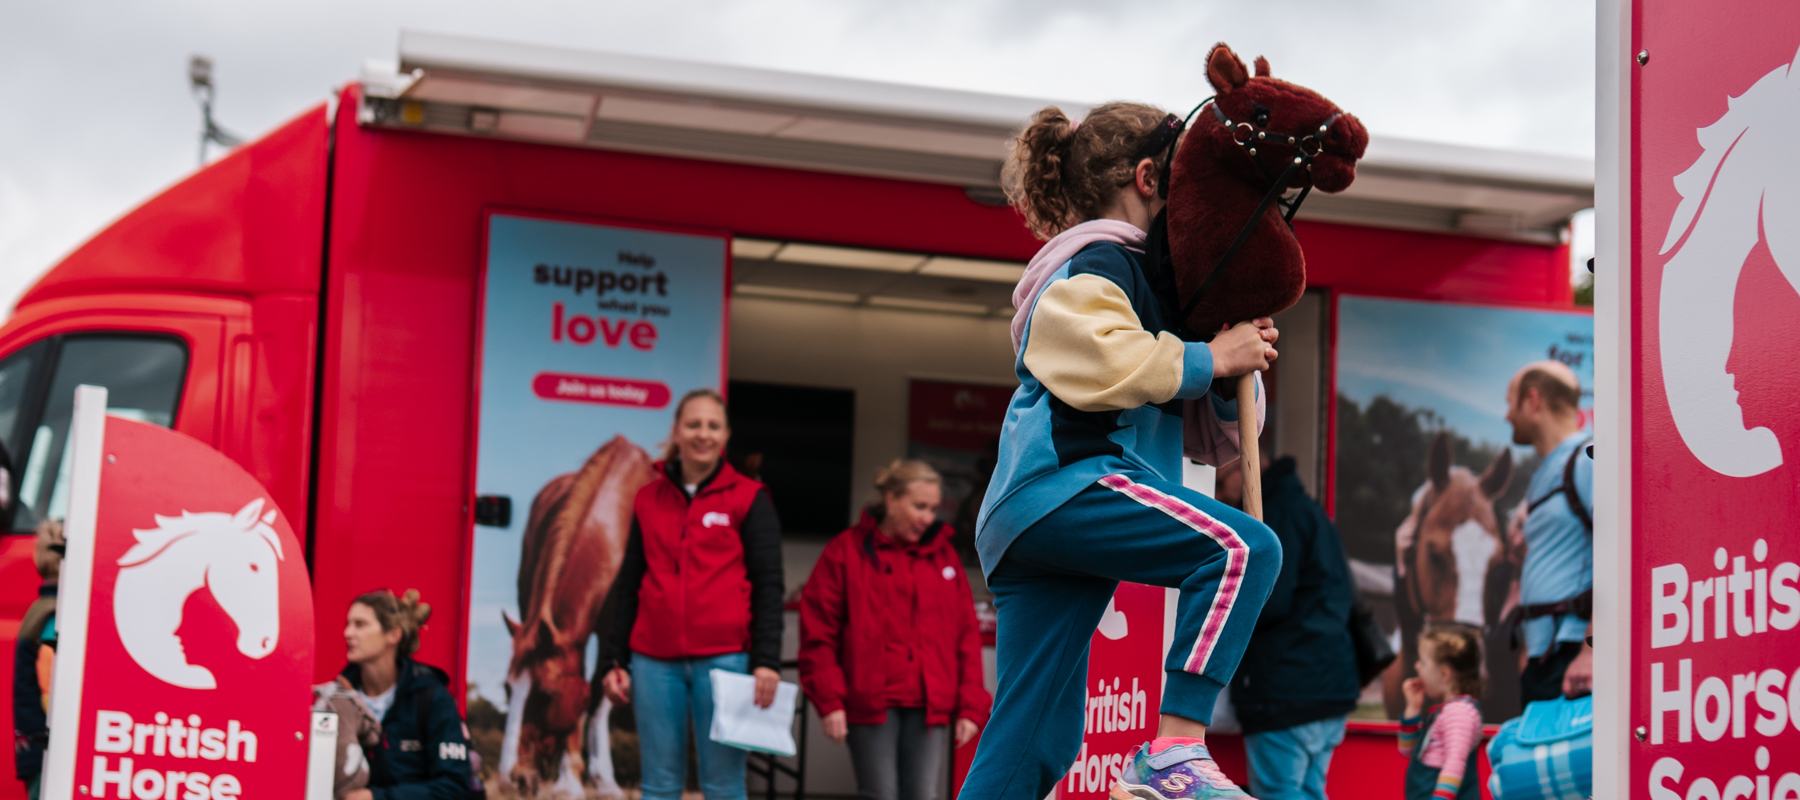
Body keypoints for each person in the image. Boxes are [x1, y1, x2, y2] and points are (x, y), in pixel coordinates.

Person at [960, 103, 1282, 800]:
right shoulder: (1096, 260)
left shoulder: (1157, 286)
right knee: (1240, 552)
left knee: (1037, 737)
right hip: (1067, 486)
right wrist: (1208, 357)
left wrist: (1229, 375)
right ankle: (1176, 747)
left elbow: (1203, 431)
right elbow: (1104, 361)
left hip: (1041, 515)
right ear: (1147, 177)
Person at [600, 389, 785, 800]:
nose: (703, 434)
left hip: (726, 660)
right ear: (676, 431)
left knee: (722, 785)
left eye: (713, 426)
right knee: (659, 783)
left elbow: (769, 584)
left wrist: (767, 661)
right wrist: (617, 659)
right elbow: (629, 583)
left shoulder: (749, 497)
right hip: (653, 662)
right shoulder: (648, 498)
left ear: (725, 435)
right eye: (694, 424)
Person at [799, 460, 992, 800]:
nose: (928, 518)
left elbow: (965, 636)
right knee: (879, 794)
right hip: (870, 701)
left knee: (923, 794)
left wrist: (971, 705)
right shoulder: (845, 551)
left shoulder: (945, 558)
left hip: (930, 704)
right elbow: (818, 633)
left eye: (933, 509)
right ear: (890, 500)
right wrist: (829, 701)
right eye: (919, 506)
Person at [1217, 460, 1358, 800]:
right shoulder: (1309, 509)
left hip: (1287, 686)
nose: (1219, 496)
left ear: (1239, 472)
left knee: (1279, 791)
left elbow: (1268, 598)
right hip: (1330, 683)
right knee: (1309, 790)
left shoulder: (1274, 515)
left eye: (1220, 483)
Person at [1502, 361, 1592, 703]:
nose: (1506, 415)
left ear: (1532, 400)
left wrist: (1592, 651)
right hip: (1547, 656)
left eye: (1509, 402)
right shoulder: (1543, 474)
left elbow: (1621, 553)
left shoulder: (1588, 458)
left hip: (1573, 658)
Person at [338, 589, 473, 800]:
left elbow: (454, 787)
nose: (348, 633)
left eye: (360, 624)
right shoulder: (337, 698)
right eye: (348, 624)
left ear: (394, 634)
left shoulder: (432, 698)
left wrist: (377, 798)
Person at [1397, 627, 1484, 800]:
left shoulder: (1458, 713)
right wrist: (1413, 709)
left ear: (1444, 673)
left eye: (1423, 662)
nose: (1417, 666)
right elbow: (1408, 751)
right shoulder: (1447, 710)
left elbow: (1455, 762)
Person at [12, 520, 62, 800]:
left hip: (31, 748)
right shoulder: (54, 616)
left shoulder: (37, 610)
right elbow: (49, 690)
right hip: (47, 755)